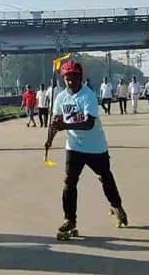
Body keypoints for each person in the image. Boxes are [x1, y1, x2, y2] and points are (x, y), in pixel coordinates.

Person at [45, 61, 127, 239]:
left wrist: (65, 125)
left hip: (95, 147)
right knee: (69, 182)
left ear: (80, 78)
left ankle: (116, 205)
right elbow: (56, 121)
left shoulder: (87, 96)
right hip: (74, 147)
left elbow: (89, 124)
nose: (70, 82)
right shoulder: (60, 97)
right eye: (67, 78)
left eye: (73, 77)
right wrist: (49, 140)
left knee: (105, 177)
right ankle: (70, 220)